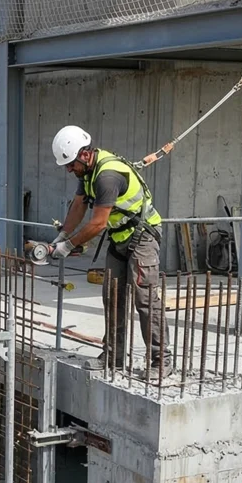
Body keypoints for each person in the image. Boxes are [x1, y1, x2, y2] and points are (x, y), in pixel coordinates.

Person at [48, 124, 167, 371]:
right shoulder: (87, 173)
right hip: (120, 238)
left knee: (145, 300)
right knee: (112, 297)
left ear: (84, 154)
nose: (70, 170)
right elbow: (79, 205)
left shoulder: (107, 176)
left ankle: (161, 360)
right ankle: (113, 358)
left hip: (142, 238)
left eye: (71, 164)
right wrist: (63, 235)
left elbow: (98, 223)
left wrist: (68, 246)